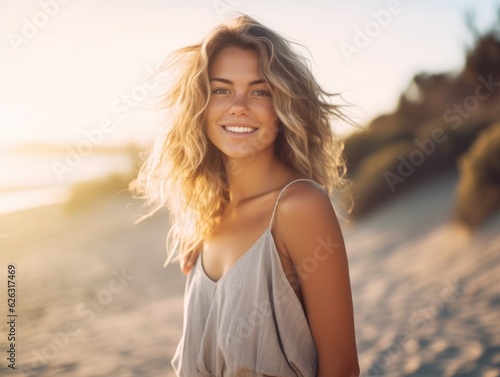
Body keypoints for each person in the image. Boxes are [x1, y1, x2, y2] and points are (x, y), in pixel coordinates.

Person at [132, 14, 359, 377]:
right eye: (221, 89)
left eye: (259, 91)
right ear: (200, 107)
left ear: (283, 107)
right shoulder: (209, 219)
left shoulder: (301, 207)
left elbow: (342, 369)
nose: (238, 106)